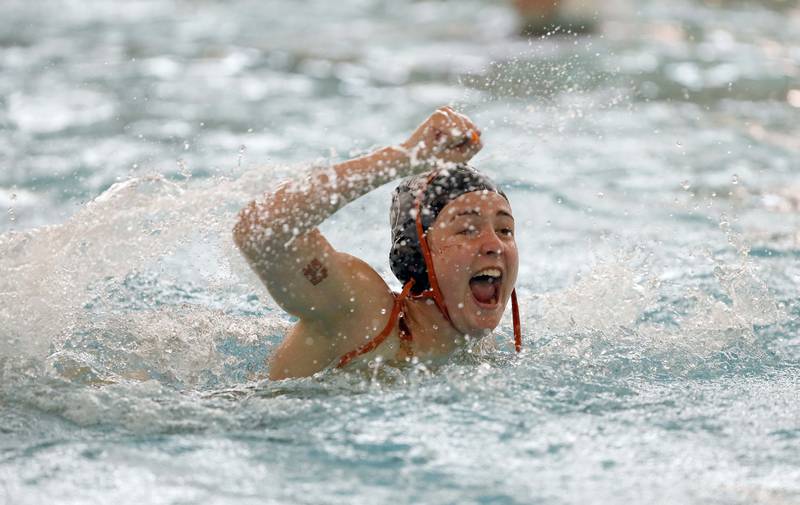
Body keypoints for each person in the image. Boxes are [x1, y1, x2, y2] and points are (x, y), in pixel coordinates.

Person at [233, 107, 521, 380]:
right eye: (467, 230)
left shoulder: (482, 351)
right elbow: (261, 228)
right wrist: (402, 158)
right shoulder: (362, 315)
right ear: (417, 253)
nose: (494, 245)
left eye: (505, 230)